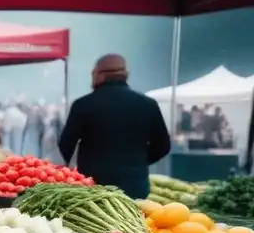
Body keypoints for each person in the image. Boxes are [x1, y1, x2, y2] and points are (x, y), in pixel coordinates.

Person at [58, 54, 170, 199]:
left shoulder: (83, 105)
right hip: (135, 186)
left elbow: (64, 147)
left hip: (93, 188)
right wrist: (138, 162)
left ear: (98, 74)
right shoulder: (148, 104)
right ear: (125, 75)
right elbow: (163, 146)